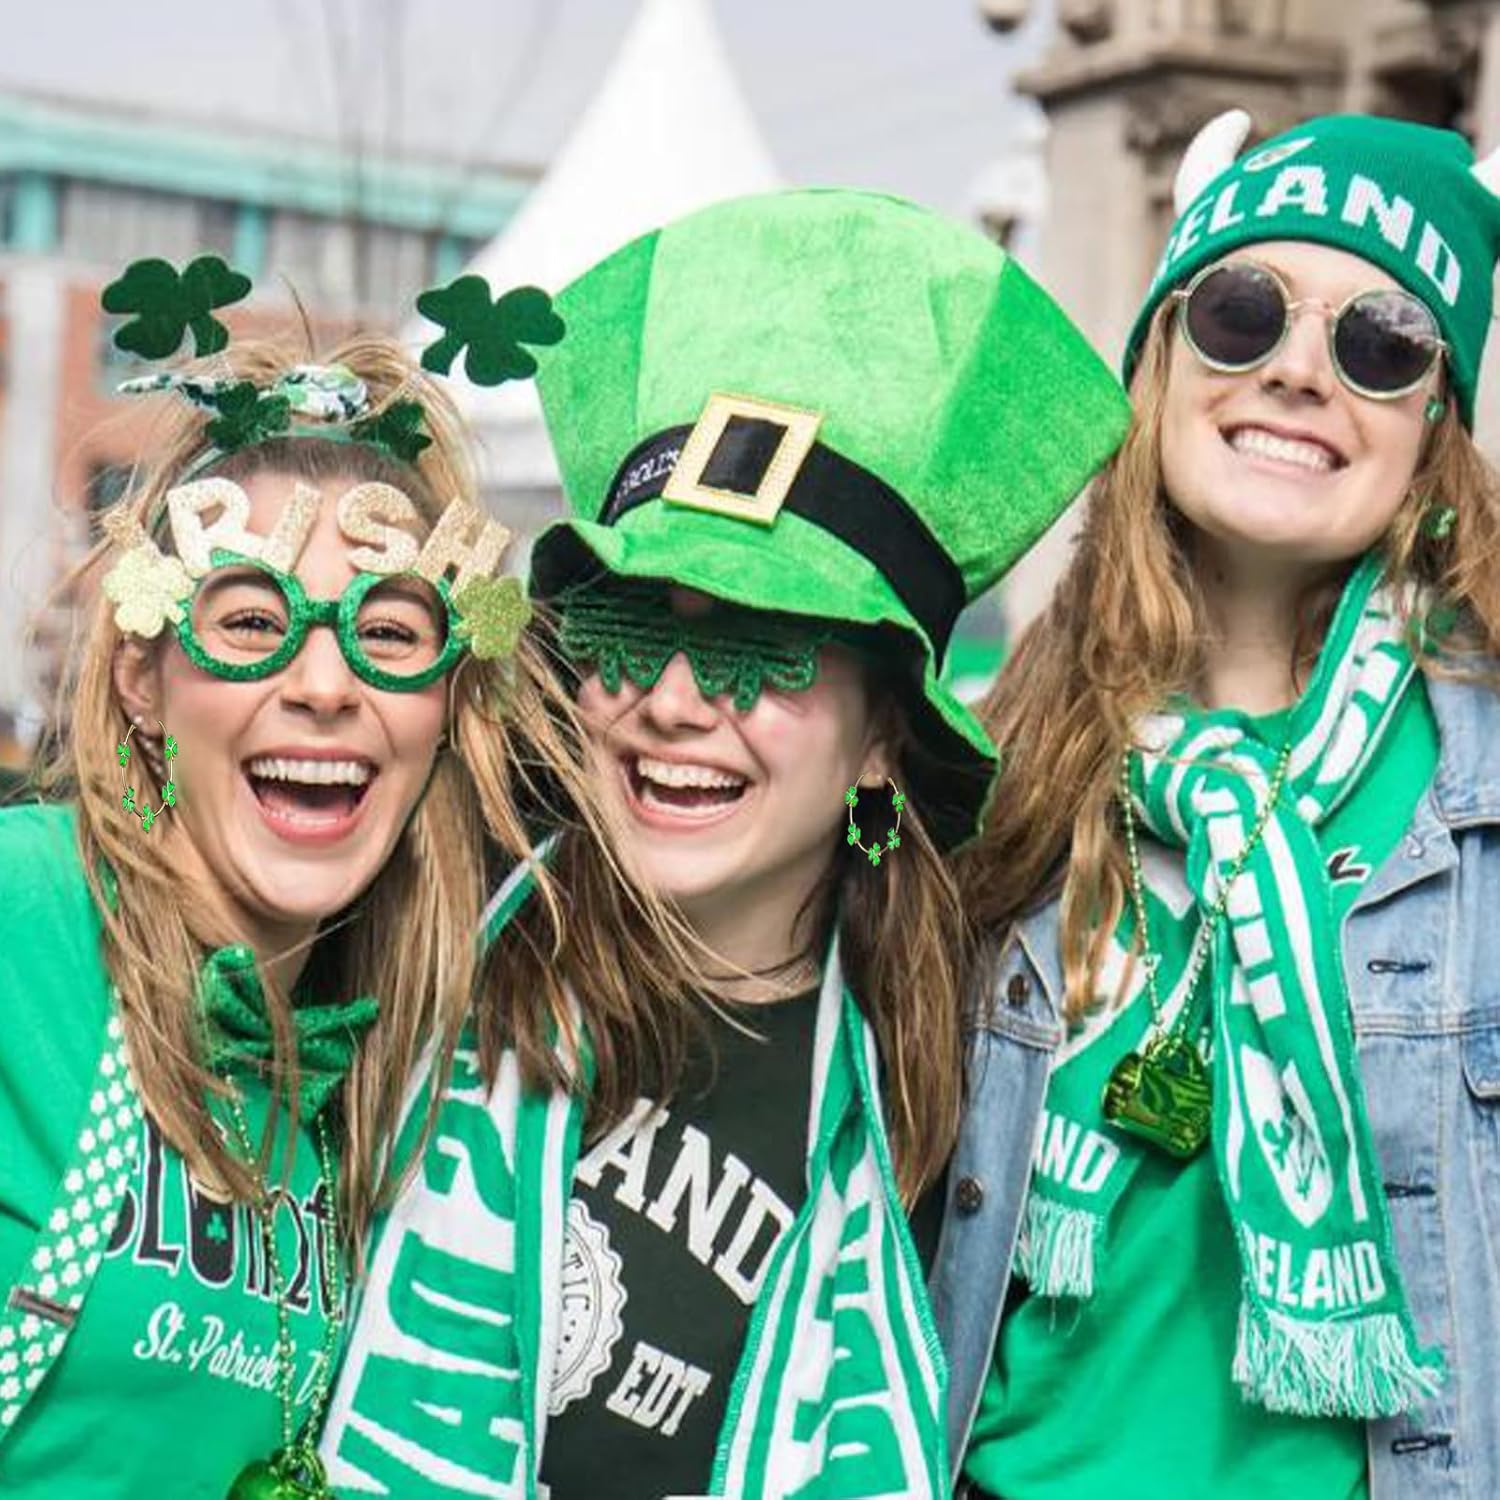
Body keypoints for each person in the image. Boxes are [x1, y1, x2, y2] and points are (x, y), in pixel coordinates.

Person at [318, 187, 1130, 1500]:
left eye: (758, 640)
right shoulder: (421, 929)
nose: (675, 700)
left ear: (885, 735)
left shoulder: (960, 1098)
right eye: (634, 627)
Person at [936, 110, 1500, 1500]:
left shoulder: (1482, 802)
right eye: (1243, 314)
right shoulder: (984, 773)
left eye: (1381, 345)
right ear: (1158, 368)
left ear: (1436, 425)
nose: (1302, 371)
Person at [0, 262, 605, 1497]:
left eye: (387, 635)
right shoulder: (23, 926)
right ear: (142, 682)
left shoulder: (378, 1071)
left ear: (444, 705)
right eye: (246, 620)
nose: (325, 685)